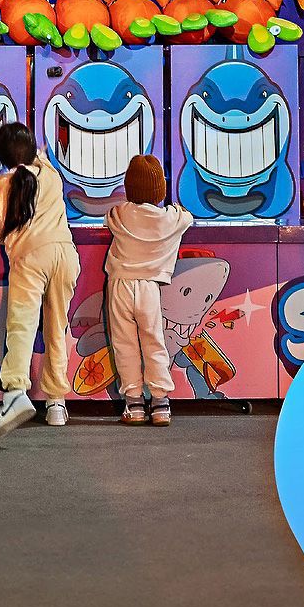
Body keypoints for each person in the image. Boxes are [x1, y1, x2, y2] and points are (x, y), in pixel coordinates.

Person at [0, 121, 78, 440]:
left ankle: (15, 393)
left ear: (1, 156)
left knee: (22, 326)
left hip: (29, 259)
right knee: (56, 329)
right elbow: (40, 158)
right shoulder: (50, 175)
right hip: (64, 254)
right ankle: (56, 403)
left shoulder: (5, 183)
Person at [105, 154, 192, 426]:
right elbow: (186, 218)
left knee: (125, 345)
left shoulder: (120, 214)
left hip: (120, 285)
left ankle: (134, 404)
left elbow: (108, 217)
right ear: (160, 192)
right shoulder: (168, 219)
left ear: (129, 188)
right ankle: (160, 403)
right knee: (154, 342)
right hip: (149, 289)